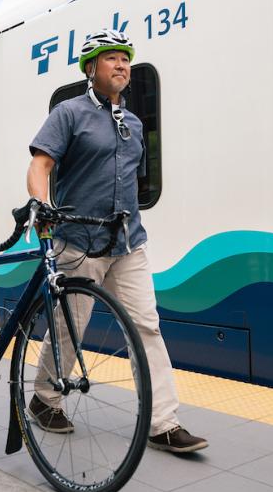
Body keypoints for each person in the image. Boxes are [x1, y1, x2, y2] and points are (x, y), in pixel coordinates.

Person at [25, 29, 208, 453]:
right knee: (70, 328)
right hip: (78, 240)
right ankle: (44, 398)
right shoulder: (68, 114)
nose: (122, 64)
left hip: (128, 242)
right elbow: (41, 165)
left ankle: (162, 421)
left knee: (147, 326)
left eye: (125, 58)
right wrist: (40, 205)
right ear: (92, 69)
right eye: (111, 58)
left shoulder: (136, 123)